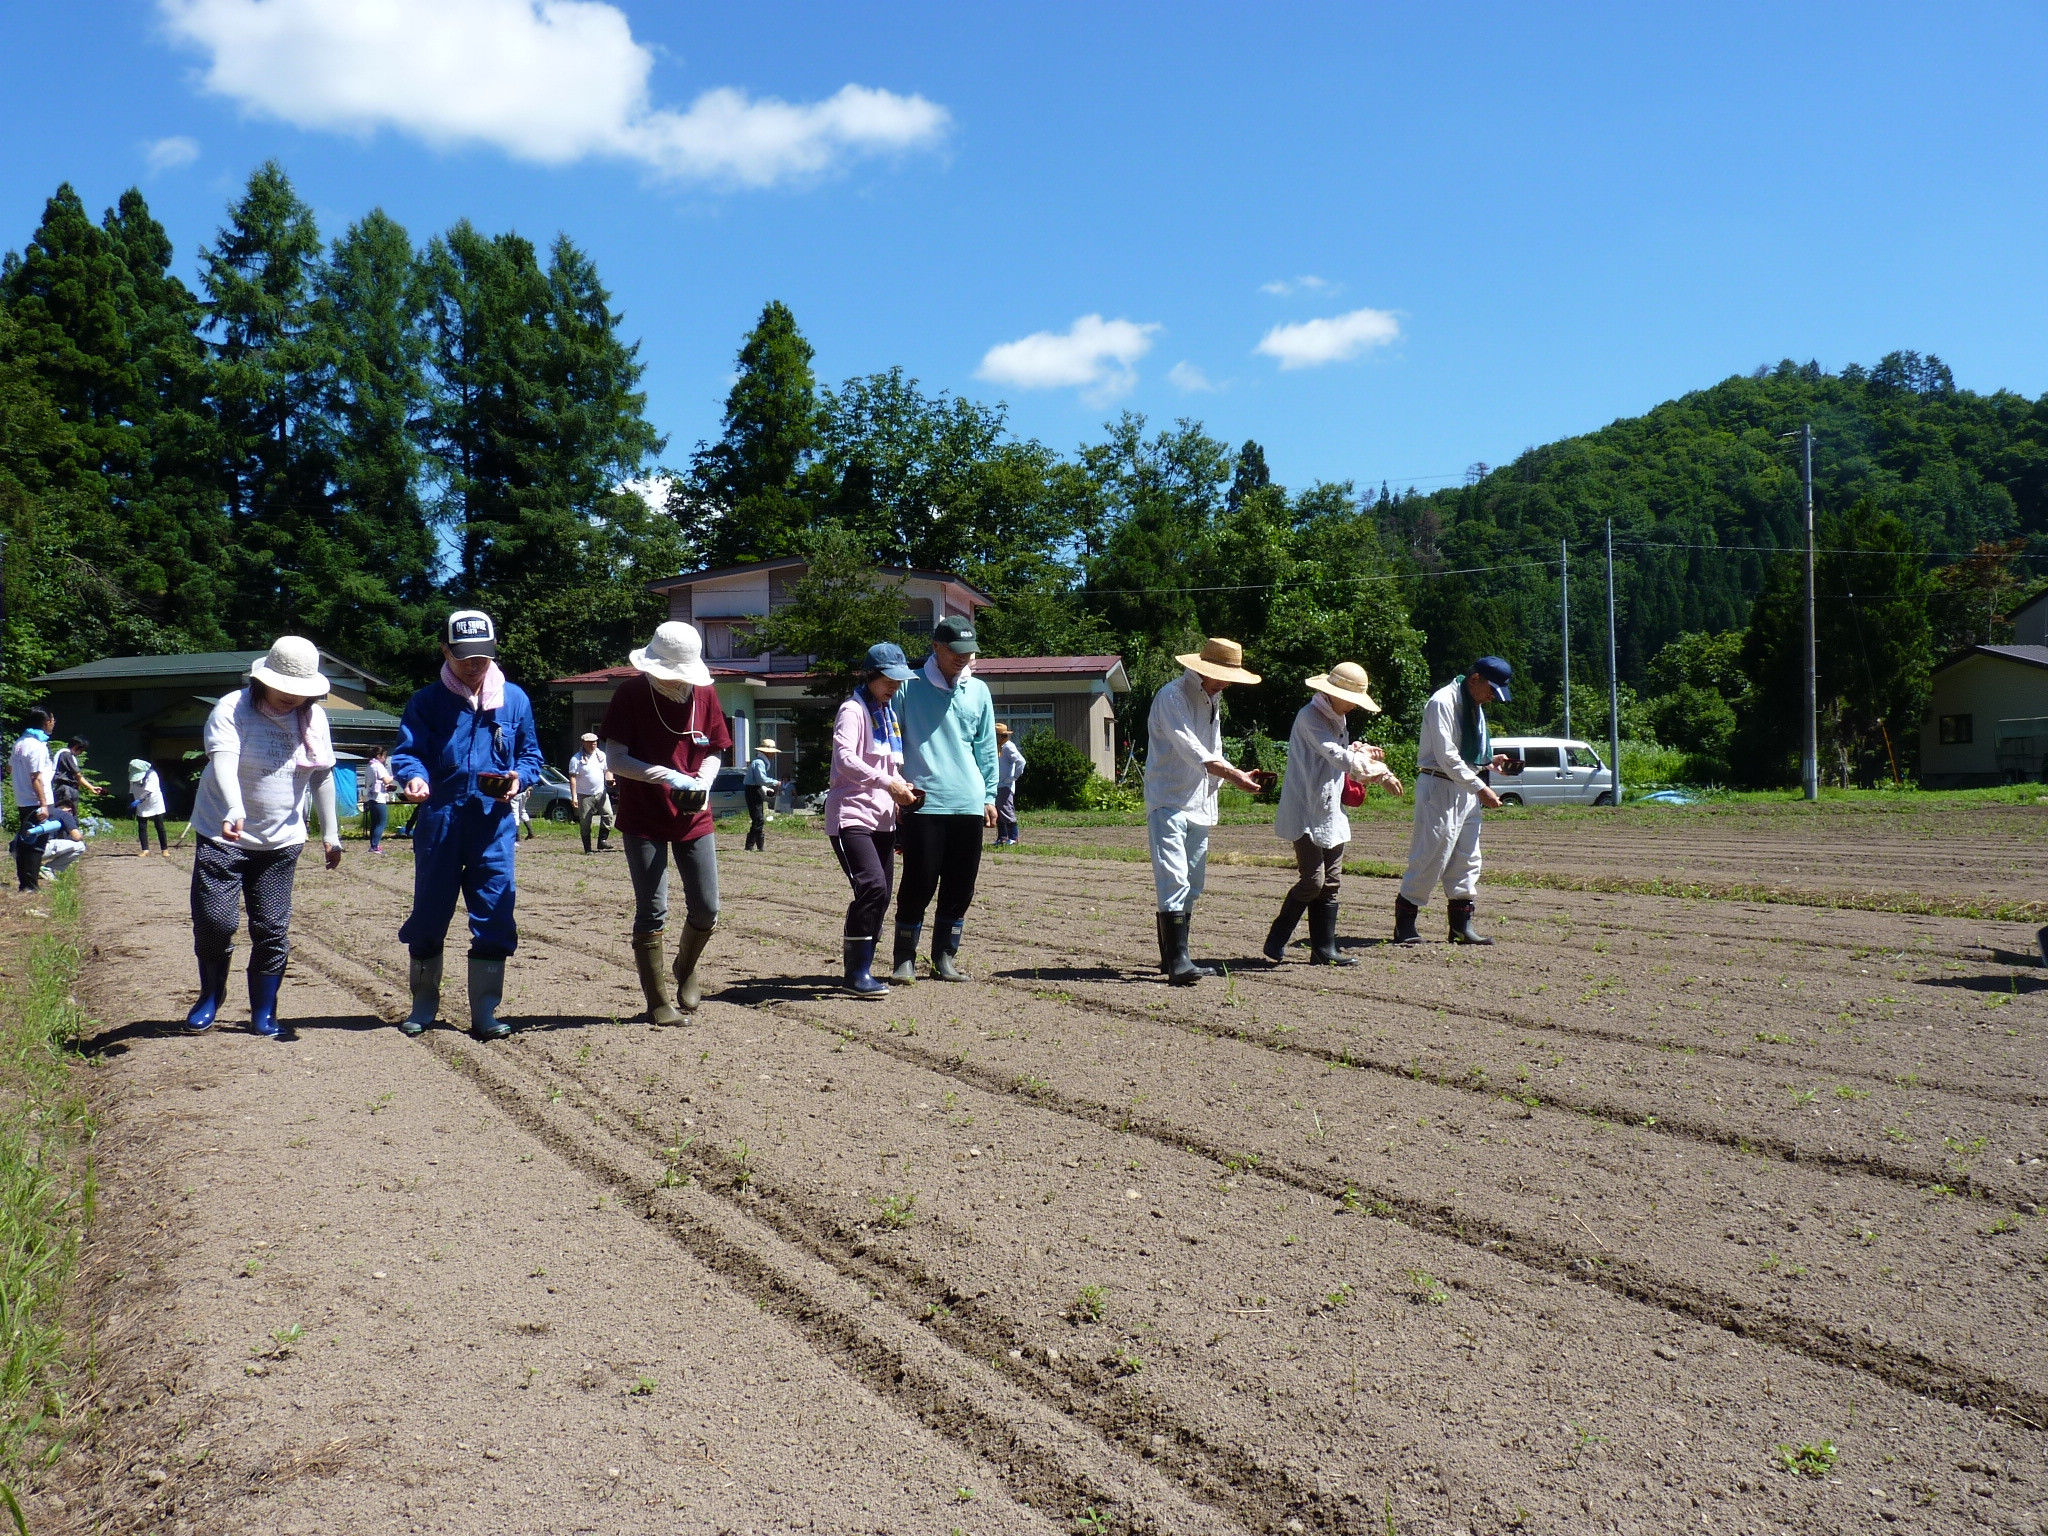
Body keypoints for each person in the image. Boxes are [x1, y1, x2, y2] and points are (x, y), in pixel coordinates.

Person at [391, 611, 545, 1040]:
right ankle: (423, 1004)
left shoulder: (514, 700)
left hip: (492, 826)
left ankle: (485, 1011)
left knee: (496, 916)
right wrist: (414, 776)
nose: (475, 665)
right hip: (440, 821)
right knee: (429, 915)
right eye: (465, 657)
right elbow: (406, 753)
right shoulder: (426, 701)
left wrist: (520, 778)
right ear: (445, 651)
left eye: (483, 656)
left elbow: (531, 757)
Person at [183, 637, 344, 1037]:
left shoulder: (314, 719)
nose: (293, 697)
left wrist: (332, 832)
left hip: (281, 841)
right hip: (224, 834)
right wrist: (234, 807)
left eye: (301, 690)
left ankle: (264, 1010)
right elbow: (223, 758)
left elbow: (321, 774)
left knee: (272, 927)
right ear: (263, 680)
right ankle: (210, 995)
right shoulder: (232, 708)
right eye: (286, 687)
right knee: (215, 922)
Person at [602, 621, 730, 1025]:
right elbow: (616, 759)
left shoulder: (705, 693)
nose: (677, 682)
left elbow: (714, 749)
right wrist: (667, 775)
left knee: (707, 907)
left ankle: (686, 967)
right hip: (644, 816)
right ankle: (657, 1001)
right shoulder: (630, 694)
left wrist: (703, 781)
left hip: (694, 814)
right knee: (653, 909)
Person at [1144, 638, 1266, 985]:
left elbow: (1214, 748)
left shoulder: (1213, 698)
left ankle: (1171, 957)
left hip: (1200, 801)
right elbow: (1191, 748)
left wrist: (1237, 774)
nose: (1227, 683)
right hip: (1167, 798)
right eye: (1223, 675)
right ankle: (1179, 962)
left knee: (1193, 883)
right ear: (1203, 670)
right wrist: (1233, 775)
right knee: (1174, 878)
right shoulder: (1172, 696)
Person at [1265, 662, 1403, 966]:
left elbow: (1343, 754)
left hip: (1330, 810)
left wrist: (1362, 752)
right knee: (1313, 881)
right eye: (1352, 698)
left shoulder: (1337, 717)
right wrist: (1379, 772)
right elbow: (1336, 755)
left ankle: (1324, 949)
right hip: (1305, 809)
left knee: (1332, 882)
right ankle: (1278, 936)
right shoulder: (1310, 716)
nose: (1355, 705)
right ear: (1333, 693)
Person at [891, 618, 999, 983]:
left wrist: (988, 794)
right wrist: (895, 788)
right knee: (919, 882)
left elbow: (986, 746)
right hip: (924, 802)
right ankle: (904, 957)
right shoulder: (910, 686)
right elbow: (891, 741)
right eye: (956, 652)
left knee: (960, 884)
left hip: (968, 802)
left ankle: (944, 958)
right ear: (937, 647)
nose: (964, 658)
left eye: (969, 653)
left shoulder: (979, 690)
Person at [1396, 656, 1516, 946]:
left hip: (1465, 788)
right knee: (1430, 855)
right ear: (1475, 678)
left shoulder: (1474, 704)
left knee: (1468, 857)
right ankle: (1405, 928)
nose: (1491, 698)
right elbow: (1447, 756)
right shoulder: (1442, 702)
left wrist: (1488, 762)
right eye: (1491, 690)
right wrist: (1480, 788)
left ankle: (1461, 928)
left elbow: (1468, 750)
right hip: (1438, 786)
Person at [827, 643, 920, 997]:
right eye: (889, 679)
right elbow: (846, 759)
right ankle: (856, 974)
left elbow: (887, 768)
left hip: (883, 818)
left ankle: (862, 967)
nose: (895, 685)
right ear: (871, 675)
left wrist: (901, 788)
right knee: (872, 888)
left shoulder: (886, 713)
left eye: (899, 679)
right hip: (851, 815)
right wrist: (888, 782)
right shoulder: (853, 710)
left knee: (880, 897)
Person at [9, 707, 56, 893]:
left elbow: (10, 768)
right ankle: (30, 885)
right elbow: (35, 777)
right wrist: (43, 804)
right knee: (36, 845)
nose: (53, 723)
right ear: (46, 722)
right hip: (36, 801)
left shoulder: (19, 742)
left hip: (23, 799)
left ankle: (25, 883)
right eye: (52, 719)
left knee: (25, 842)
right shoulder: (37, 746)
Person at [569, 732, 614, 854]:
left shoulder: (601, 755)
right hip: (584, 795)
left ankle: (602, 841)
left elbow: (607, 770)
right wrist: (574, 797)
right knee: (585, 821)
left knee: (608, 815)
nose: (593, 744)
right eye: (590, 743)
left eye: (595, 742)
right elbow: (572, 779)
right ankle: (587, 848)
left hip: (601, 792)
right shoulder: (576, 759)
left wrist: (610, 780)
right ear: (583, 743)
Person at [743, 740, 781, 851]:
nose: (773, 754)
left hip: (754, 789)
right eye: (772, 752)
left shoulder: (759, 762)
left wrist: (766, 788)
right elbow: (761, 779)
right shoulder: (759, 762)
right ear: (767, 752)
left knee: (758, 819)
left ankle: (757, 846)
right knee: (758, 819)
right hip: (753, 791)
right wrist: (776, 783)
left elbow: (758, 781)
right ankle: (750, 846)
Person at [993, 723, 1027, 845]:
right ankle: (1002, 837)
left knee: (1006, 810)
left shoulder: (1008, 747)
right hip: (998, 784)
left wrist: (1014, 777)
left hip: (1005, 785)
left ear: (1001, 736)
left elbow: (1021, 762)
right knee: (998, 811)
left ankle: (1013, 837)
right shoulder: (999, 747)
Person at [130, 758, 169, 855]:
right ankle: (145, 850)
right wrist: (133, 802)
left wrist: (138, 800)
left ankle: (165, 849)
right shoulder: (132, 778)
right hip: (141, 804)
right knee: (142, 826)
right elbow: (132, 791)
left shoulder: (152, 775)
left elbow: (148, 791)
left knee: (159, 825)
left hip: (155, 803)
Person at [52, 735, 100, 811]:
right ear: (76, 746)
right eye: (81, 750)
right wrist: (91, 787)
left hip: (69, 789)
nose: (81, 753)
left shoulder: (69, 755)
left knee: (71, 817)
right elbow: (78, 775)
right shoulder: (66, 754)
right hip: (65, 789)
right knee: (65, 816)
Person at [364, 747, 398, 852]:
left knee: (374, 822)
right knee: (382, 822)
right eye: (384, 756)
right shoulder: (378, 766)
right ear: (379, 756)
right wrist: (396, 775)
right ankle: (375, 846)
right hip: (379, 797)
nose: (385, 758)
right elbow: (387, 780)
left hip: (371, 796)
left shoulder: (369, 766)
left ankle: (373, 845)